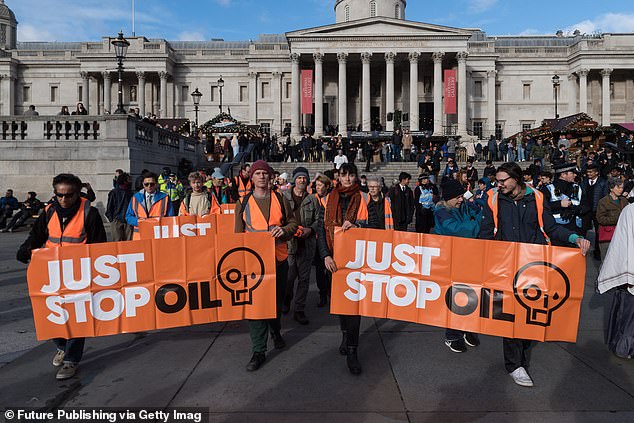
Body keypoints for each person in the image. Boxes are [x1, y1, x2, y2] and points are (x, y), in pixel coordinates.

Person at [480, 162, 590, 387]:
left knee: (529, 311)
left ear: (517, 179)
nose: (498, 185)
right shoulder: (493, 198)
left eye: (503, 181)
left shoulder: (538, 198)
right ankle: (515, 365)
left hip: (533, 265)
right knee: (509, 315)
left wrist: (574, 238)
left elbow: (550, 228)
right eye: (497, 181)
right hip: (505, 264)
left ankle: (522, 344)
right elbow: (485, 233)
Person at [16, 173, 107, 380]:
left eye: (69, 195)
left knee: (76, 318)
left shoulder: (89, 214)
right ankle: (61, 346)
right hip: (51, 272)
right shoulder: (48, 211)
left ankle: (71, 360)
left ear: (78, 193)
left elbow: (100, 246)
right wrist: (26, 249)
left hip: (79, 274)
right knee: (49, 312)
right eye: (59, 195)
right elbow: (37, 235)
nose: (64, 199)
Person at [235, 160, 298, 371]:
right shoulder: (242, 203)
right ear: (251, 178)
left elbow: (293, 223)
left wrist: (285, 231)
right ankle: (258, 350)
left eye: (265, 173)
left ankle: (276, 330)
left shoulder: (280, 198)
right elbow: (237, 238)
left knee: (276, 303)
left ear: (270, 177)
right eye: (257, 173)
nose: (261, 176)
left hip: (278, 259)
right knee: (256, 307)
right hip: (253, 264)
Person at [317, 163, 368, 374]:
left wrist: (357, 227)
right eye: (344, 175)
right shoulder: (330, 197)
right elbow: (321, 228)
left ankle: (353, 349)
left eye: (351, 175)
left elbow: (374, 226)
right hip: (334, 258)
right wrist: (325, 255)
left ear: (356, 177)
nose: (347, 179)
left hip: (357, 259)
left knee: (354, 306)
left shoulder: (363, 198)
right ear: (338, 177)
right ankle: (345, 334)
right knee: (339, 303)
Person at [433, 179, 482, 353]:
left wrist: (476, 204)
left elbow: (480, 212)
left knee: (471, 295)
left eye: (461, 196)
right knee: (455, 298)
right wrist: (480, 225)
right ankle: (452, 334)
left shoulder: (462, 206)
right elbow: (458, 229)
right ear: (448, 198)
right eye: (457, 197)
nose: (461, 199)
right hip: (451, 260)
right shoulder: (441, 212)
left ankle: (467, 328)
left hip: (469, 258)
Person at [283, 167, 320, 324]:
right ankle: (286, 300)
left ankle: (299, 309)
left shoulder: (312, 199)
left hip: (307, 244)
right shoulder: (283, 197)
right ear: (294, 180)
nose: (302, 180)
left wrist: (310, 229)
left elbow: (319, 219)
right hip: (289, 245)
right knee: (289, 278)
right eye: (299, 178)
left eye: (304, 178)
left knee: (304, 280)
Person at [597, 203, 634, 359]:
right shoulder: (630, 210)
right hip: (631, 271)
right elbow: (622, 242)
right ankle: (625, 347)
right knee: (629, 314)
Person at [126, 171, 174, 239]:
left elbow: (171, 218)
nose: (149, 186)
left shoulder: (165, 198)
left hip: (158, 235)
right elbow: (128, 217)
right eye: (146, 184)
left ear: (156, 184)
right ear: (143, 184)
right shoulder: (135, 198)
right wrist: (140, 222)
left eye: (152, 184)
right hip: (140, 236)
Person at [546, 162, 584, 243]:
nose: (575, 175)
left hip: (575, 229)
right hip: (556, 230)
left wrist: (576, 209)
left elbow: (586, 205)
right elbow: (542, 206)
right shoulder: (548, 189)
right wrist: (559, 204)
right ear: (563, 174)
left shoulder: (576, 187)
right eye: (572, 173)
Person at [596, 177, 629, 259]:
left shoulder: (624, 201)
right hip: (608, 235)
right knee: (606, 260)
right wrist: (618, 218)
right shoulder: (603, 201)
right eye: (618, 187)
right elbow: (600, 219)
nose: (621, 190)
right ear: (611, 188)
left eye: (622, 187)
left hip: (622, 234)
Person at [581, 163, 609, 260]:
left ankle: (598, 252)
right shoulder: (584, 182)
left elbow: (605, 196)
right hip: (586, 210)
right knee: (583, 230)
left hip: (598, 210)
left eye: (591, 172)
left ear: (597, 173)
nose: (589, 174)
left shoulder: (603, 182)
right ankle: (581, 250)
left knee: (598, 232)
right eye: (588, 172)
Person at [312, 174, 332, 307]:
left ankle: (331, 294)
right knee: (319, 270)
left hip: (327, 239)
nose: (317, 188)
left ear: (327, 186)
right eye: (316, 185)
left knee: (330, 270)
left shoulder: (330, 199)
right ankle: (322, 294)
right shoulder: (312, 198)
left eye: (320, 185)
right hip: (315, 240)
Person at [105, 172, 133, 241]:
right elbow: (109, 207)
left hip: (128, 221)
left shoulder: (130, 193)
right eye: (129, 179)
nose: (131, 181)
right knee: (117, 243)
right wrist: (112, 220)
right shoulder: (114, 192)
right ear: (124, 181)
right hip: (117, 220)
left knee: (128, 243)